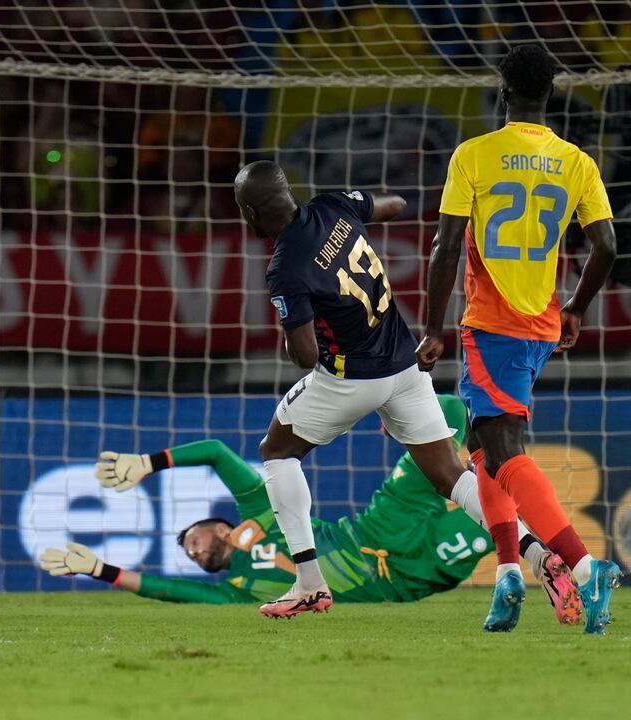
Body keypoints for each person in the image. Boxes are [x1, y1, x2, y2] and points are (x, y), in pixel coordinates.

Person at [39, 396, 580, 620]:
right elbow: (168, 591)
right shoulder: (238, 590)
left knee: (448, 410)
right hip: (409, 576)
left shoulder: (259, 508)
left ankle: (509, 500)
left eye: (193, 538)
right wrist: (98, 569)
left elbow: (215, 453)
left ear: (216, 522)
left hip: (378, 526)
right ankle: (545, 556)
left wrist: (148, 463)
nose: (196, 550)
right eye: (192, 555)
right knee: (495, 517)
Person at [416, 44, 621, 634]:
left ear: (502, 95)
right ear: (550, 96)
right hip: (540, 323)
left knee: (502, 447)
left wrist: (432, 326)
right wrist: (575, 308)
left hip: (492, 323)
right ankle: (509, 570)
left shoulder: (475, 155)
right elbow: (606, 246)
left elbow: (446, 245)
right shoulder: (576, 161)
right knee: (483, 444)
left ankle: (586, 568)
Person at [232, 161, 484, 620]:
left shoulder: (285, 267)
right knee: (451, 475)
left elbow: (306, 356)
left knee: (276, 452)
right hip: (405, 366)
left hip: (352, 379)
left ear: (251, 212)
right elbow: (397, 204)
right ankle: (536, 552)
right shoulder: (334, 205)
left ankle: (309, 582)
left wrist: (291, 327)